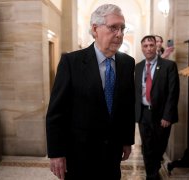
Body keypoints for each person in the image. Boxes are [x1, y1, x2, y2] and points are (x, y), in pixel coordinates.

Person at [46, 4, 135, 180]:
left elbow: (127, 105)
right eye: (113, 28)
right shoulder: (71, 63)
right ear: (95, 29)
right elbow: (57, 112)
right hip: (80, 153)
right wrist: (56, 153)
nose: (119, 34)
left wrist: (127, 140)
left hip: (112, 153)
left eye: (122, 28)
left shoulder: (127, 63)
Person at [135, 35, 179, 180]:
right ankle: (151, 176)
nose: (148, 48)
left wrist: (168, 116)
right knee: (146, 148)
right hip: (143, 114)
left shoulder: (169, 66)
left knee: (159, 147)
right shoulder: (138, 67)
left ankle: (154, 169)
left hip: (161, 115)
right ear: (142, 48)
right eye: (145, 46)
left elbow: (173, 92)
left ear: (156, 47)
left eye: (151, 45)